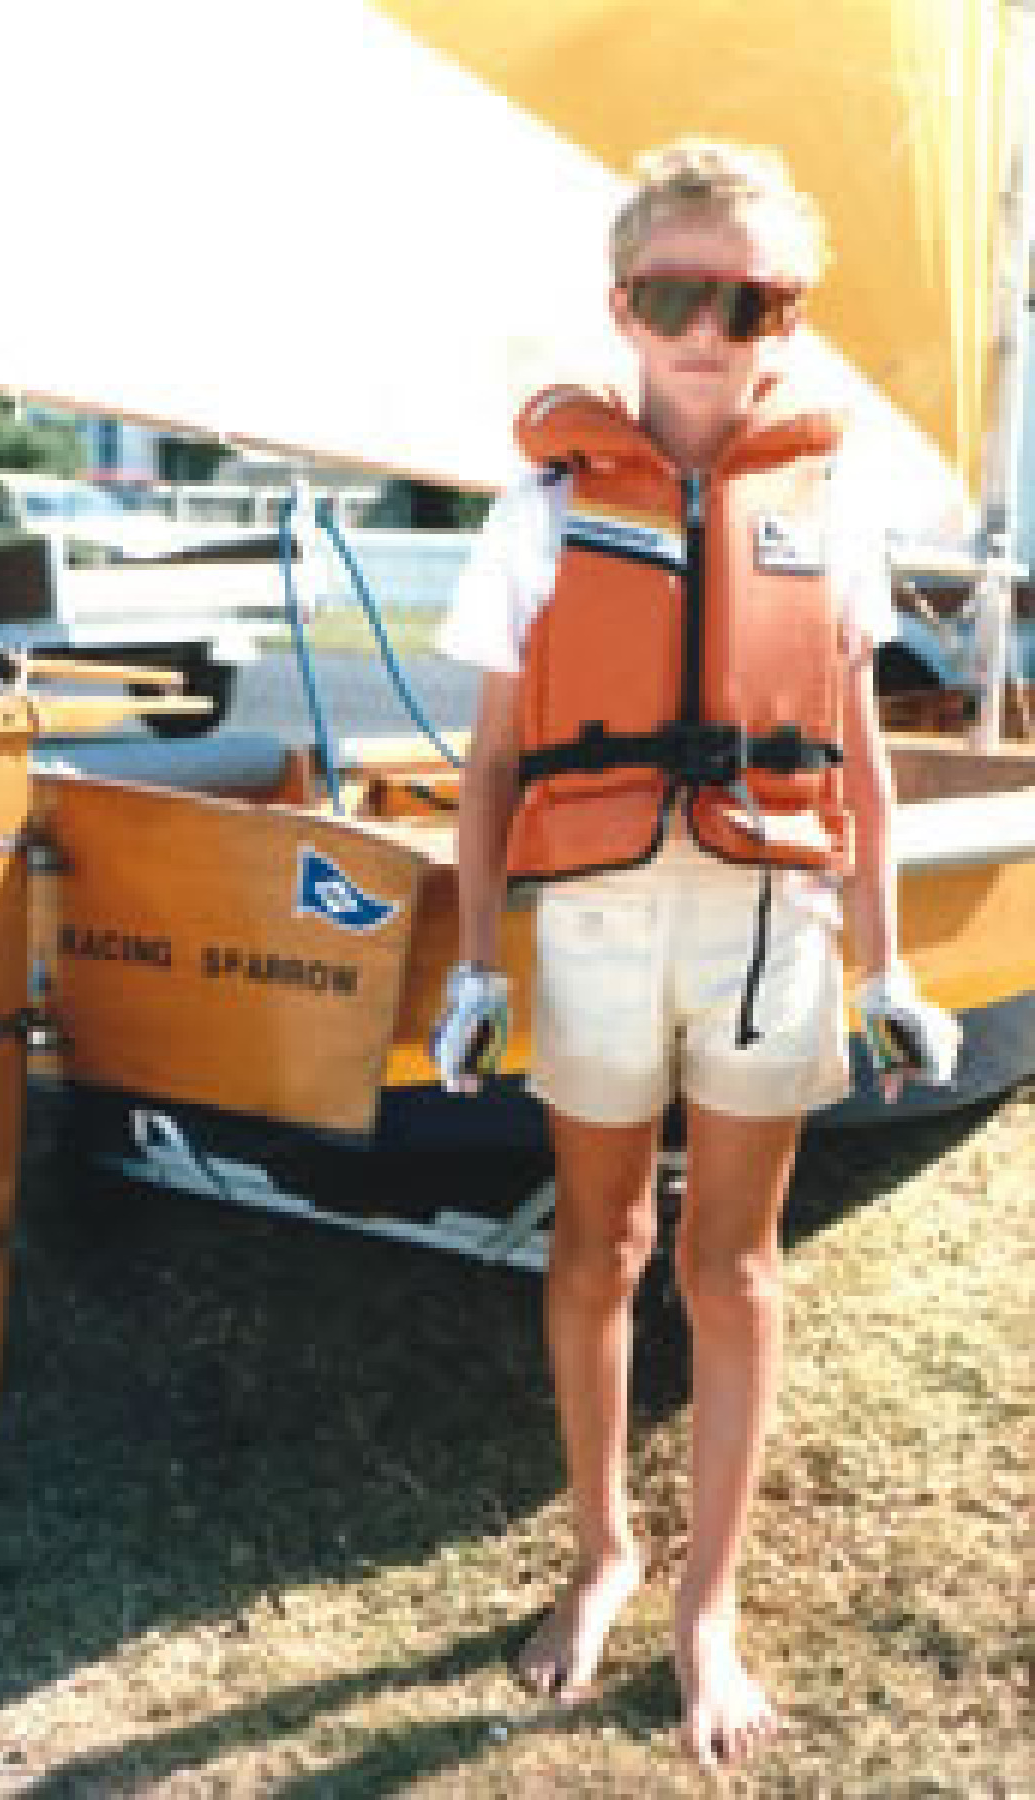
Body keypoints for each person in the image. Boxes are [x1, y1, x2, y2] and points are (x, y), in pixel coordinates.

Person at [433, 138, 956, 1771]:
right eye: (677, 292)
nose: (711, 328)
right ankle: (604, 1553)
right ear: (622, 304)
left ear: (785, 318)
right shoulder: (540, 509)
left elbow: (861, 764)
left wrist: (886, 970)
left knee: (730, 1266)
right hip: (591, 922)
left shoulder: (834, 504)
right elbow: (496, 770)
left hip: (770, 924)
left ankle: (704, 1606)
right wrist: (475, 966)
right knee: (593, 1247)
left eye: (751, 299)